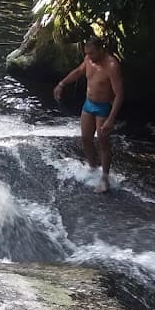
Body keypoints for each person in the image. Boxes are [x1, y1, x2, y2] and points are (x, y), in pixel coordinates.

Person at [54, 36, 124, 193]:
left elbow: (119, 94)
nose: (89, 56)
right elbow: (78, 71)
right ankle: (92, 168)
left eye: (92, 53)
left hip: (103, 107)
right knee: (86, 138)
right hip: (89, 104)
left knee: (103, 141)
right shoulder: (89, 59)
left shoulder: (112, 65)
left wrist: (111, 120)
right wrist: (62, 84)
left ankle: (105, 177)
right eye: (87, 53)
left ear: (101, 49)